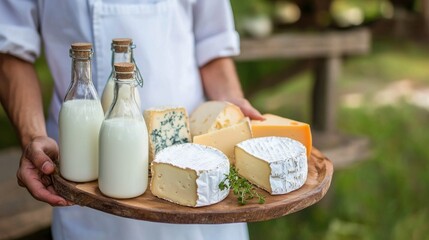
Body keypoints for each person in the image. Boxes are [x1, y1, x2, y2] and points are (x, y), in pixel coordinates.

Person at [0, 1, 264, 239]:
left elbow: (213, 41)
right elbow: (9, 48)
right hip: (87, 178)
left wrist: (230, 109)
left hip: (196, 162)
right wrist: (32, 136)